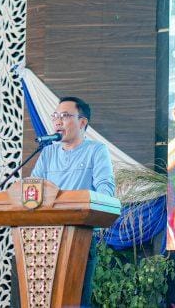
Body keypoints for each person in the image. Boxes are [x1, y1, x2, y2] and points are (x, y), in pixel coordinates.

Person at [30, 96, 115, 306]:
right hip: (44, 238)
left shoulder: (96, 151)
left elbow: (106, 191)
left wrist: (80, 201)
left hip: (80, 236)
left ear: (82, 122)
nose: (58, 121)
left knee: (75, 301)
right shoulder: (47, 153)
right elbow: (32, 191)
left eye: (65, 116)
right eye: (55, 116)